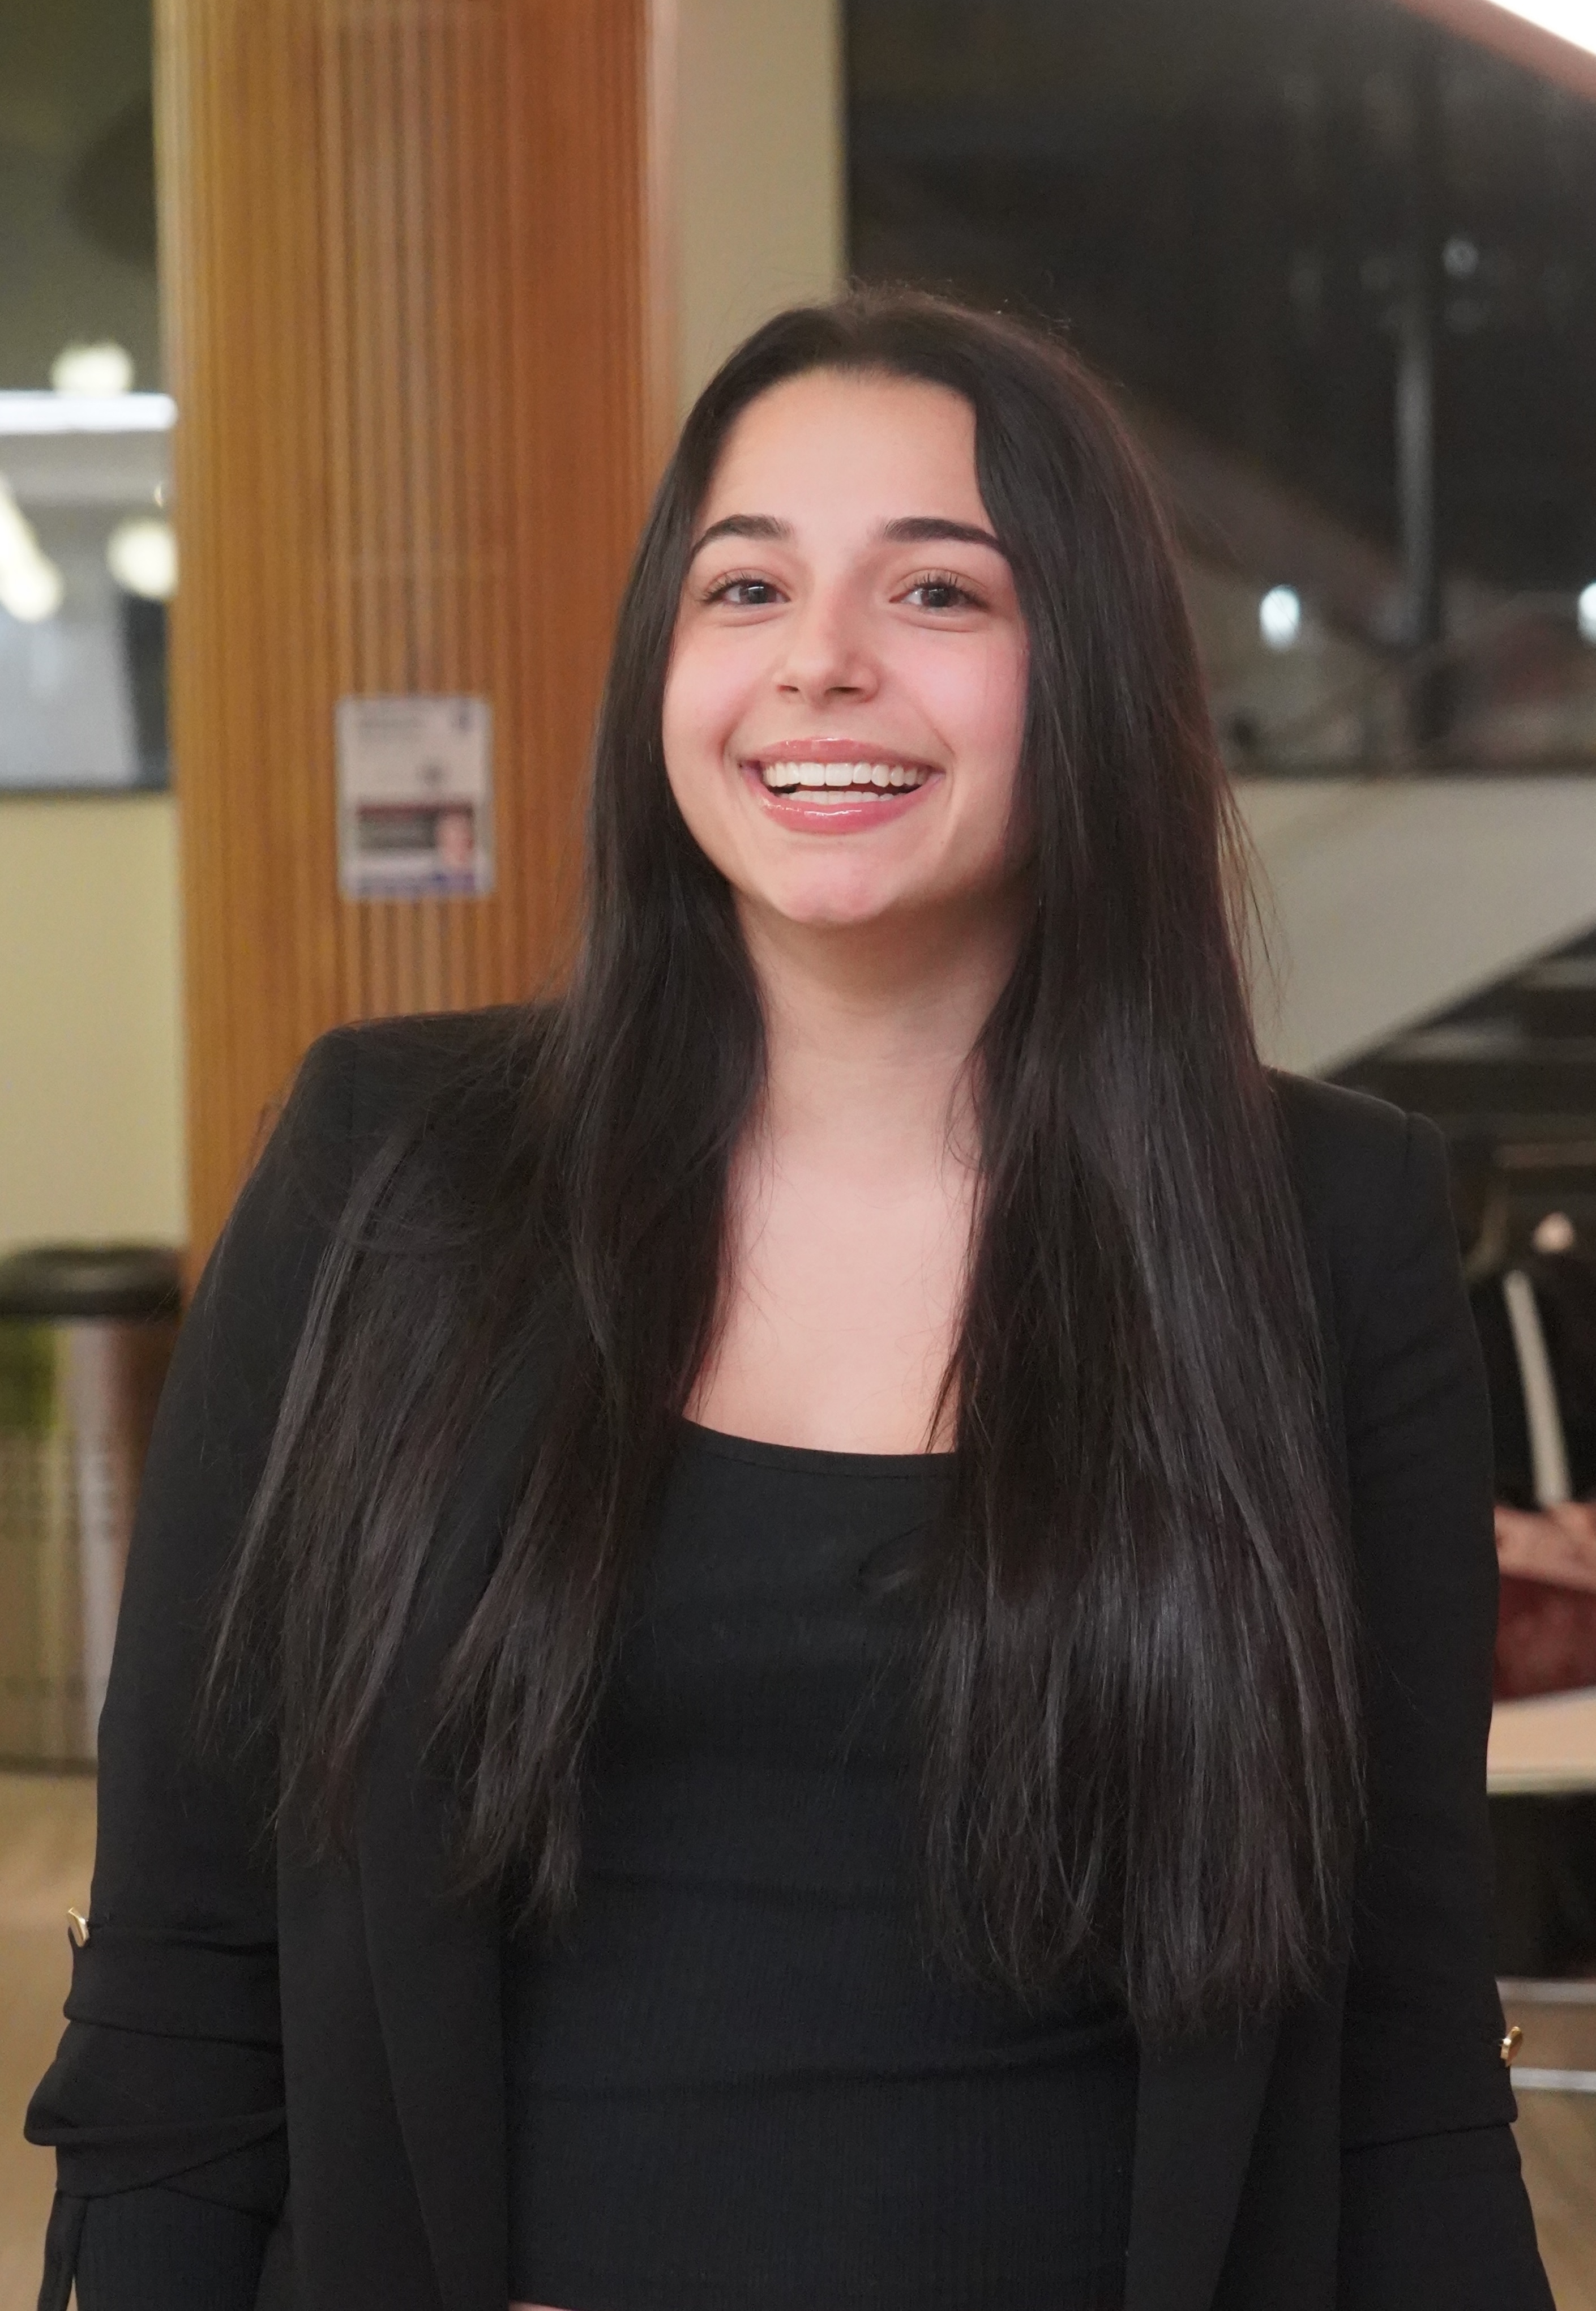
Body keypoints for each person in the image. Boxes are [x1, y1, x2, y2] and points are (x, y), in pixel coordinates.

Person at [29, 294, 1550, 2311]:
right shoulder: (390, 1173)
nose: (819, 657)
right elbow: (183, 1973)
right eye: (744, 584)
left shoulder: (1318, 1220)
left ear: (1087, 672)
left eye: (937, 589)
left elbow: (1402, 2036)